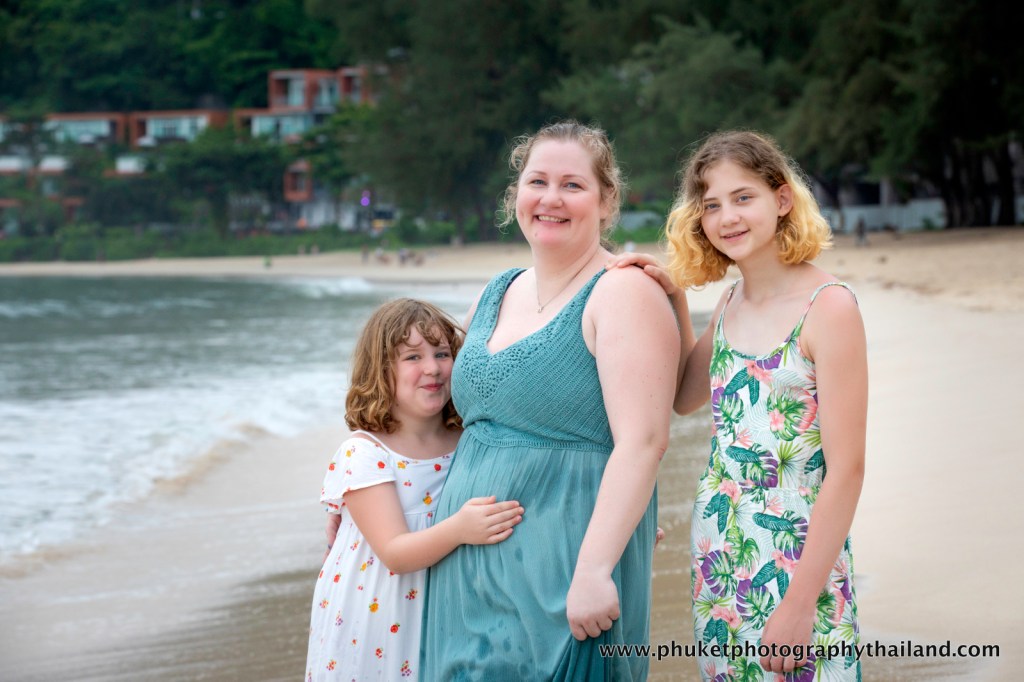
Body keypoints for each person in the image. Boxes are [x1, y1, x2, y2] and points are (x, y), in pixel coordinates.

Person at [420, 121, 680, 680]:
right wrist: (359, 489)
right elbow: (450, 422)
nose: (551, 199)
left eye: (573, 185)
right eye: (537, 181)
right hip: (464, 583)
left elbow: (645, 441)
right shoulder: (497, 290)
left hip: (565, 579)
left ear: (607, 200)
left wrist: (595, 568)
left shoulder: (623, 291)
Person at [610, 130, 865, 680]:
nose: (727, 217)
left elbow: (847, 471)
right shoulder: (729, 302)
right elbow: (683, 398)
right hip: (722, 551)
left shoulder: (830, 307)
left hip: (799, 559)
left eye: (743, 197)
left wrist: (799, 605)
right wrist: (676, 298)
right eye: (711, 205)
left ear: (781, 198)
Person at [305, 299, 525, 682]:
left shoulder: (469, 441)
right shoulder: (366, 453)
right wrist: (459, 529)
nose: (433, 368)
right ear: (379, 370)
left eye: (442, 353)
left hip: (440, 607)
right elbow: (394, 553)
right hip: (375, 615)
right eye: (412, 357)